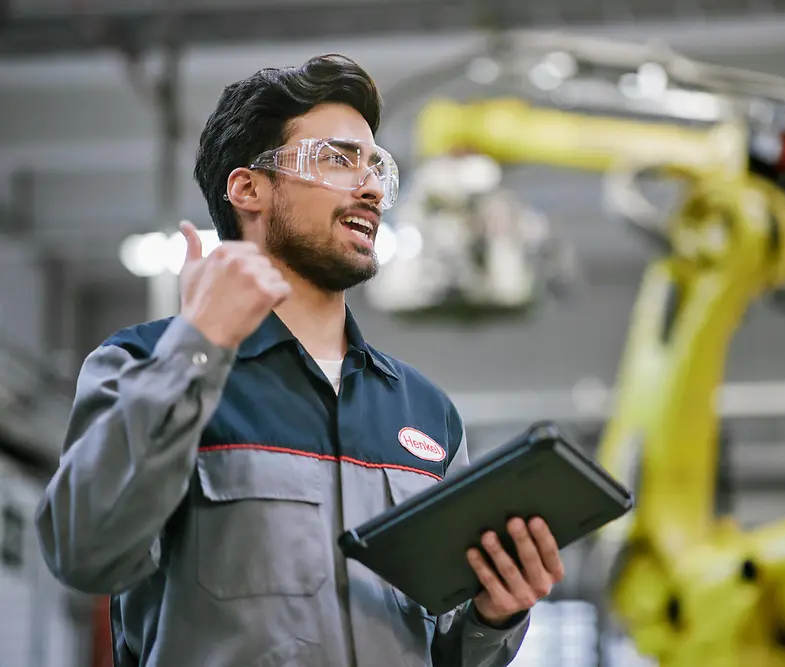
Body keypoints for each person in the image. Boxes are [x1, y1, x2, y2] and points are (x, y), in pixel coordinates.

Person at [35, 53, 565, 667]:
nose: (369, 187)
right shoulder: (141, 365)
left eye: (375, 168)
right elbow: (83, 550)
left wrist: (495, 614)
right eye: (337, 160)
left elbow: (447, 652)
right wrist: (198, 345)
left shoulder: (427, 413)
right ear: (249, 188)